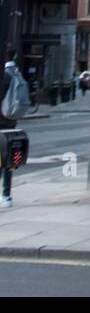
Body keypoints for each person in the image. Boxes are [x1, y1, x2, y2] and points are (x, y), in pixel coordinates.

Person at [1, 49, 21, 208]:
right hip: (12, 122)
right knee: (9, 159)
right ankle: (7, 195)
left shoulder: (4, 75)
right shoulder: (17, 74)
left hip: (1, 122)